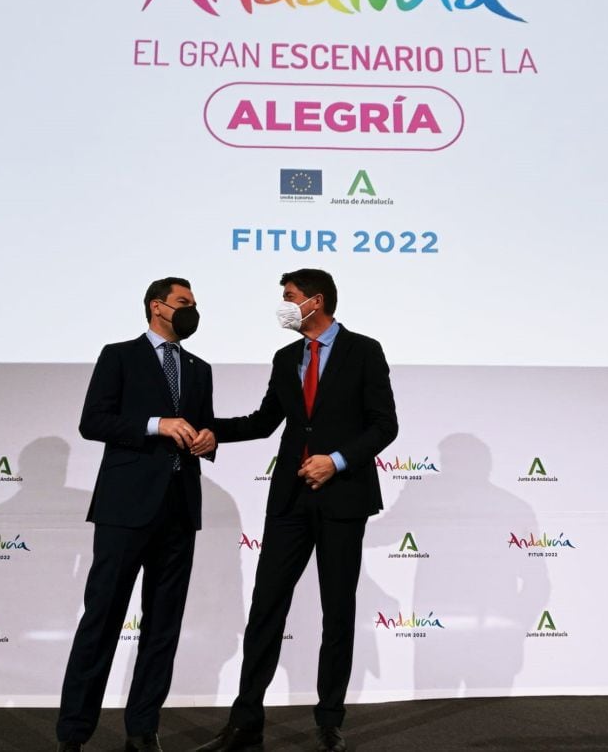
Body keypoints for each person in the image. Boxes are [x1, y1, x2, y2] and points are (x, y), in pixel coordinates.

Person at [194, 268, 398, 752]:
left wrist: (337, 461)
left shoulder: (364, 350)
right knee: (266, 607)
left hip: (343, 497)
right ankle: (245, 723)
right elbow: (265, 421)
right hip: (289, 498)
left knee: (338, 611)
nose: (283, 305)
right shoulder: (286, 356)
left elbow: (384, 424)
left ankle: (329, 722)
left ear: (316, 301)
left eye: (289, 296)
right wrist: (207, 430)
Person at [56, 277, 217, 752]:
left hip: (180, 508)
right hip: (125, 509)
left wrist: (208, 439)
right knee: (102, 619)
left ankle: (143, 729)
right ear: (157, 307)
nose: (192, 310)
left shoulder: (199, 367)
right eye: (184, 303)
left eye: (194, 303)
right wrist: (155, 425)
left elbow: (201, 424)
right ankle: (74, 733)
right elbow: (94, 421)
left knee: (163, 625)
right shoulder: (119, 355)